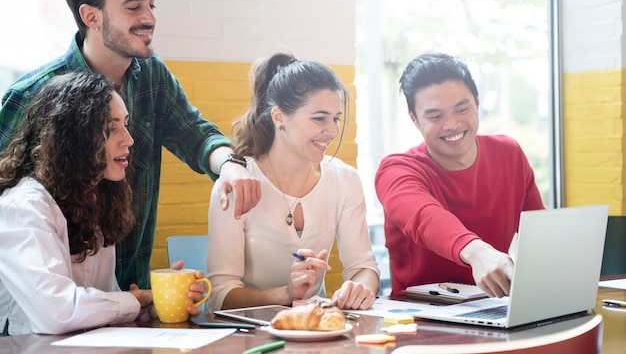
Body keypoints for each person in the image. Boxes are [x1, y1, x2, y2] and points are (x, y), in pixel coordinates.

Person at [0, 0, 260, 290]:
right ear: (91, 17)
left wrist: (229, 163)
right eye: (133, 6)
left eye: (151, 4)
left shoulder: (152, 76)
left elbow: (195, 134)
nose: (149, 17)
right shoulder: (32, 94)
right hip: (48, 311)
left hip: (131, 298)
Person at [0, 72, 205, 336]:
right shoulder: (24, 206)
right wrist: (135, 301)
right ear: (72, 139)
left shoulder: (96, 198)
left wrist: (153, 306)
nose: (129, 140)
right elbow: (59, 313)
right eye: (111, 129)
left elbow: (102, 304)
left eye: (126, 124)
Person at [207, 53, 380, 312]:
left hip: (314, 336)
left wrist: (361, 286)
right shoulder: (238, 184)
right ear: (279, 117)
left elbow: (364, 268)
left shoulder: (345, 180)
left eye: (335, 118)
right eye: (319, 118)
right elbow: (220, 296)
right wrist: (284, 294)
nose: (332, 131)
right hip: (247, 338)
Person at [375, 52, 545, 298]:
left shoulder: (509, 154)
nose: (452, 124)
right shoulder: (396, 170)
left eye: (461, 109)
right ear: (415, 120)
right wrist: (477, 252)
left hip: (495, 308)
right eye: (435, 116)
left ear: (476, 102)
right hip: (421, 320)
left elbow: (538, 235)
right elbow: (424, 217)